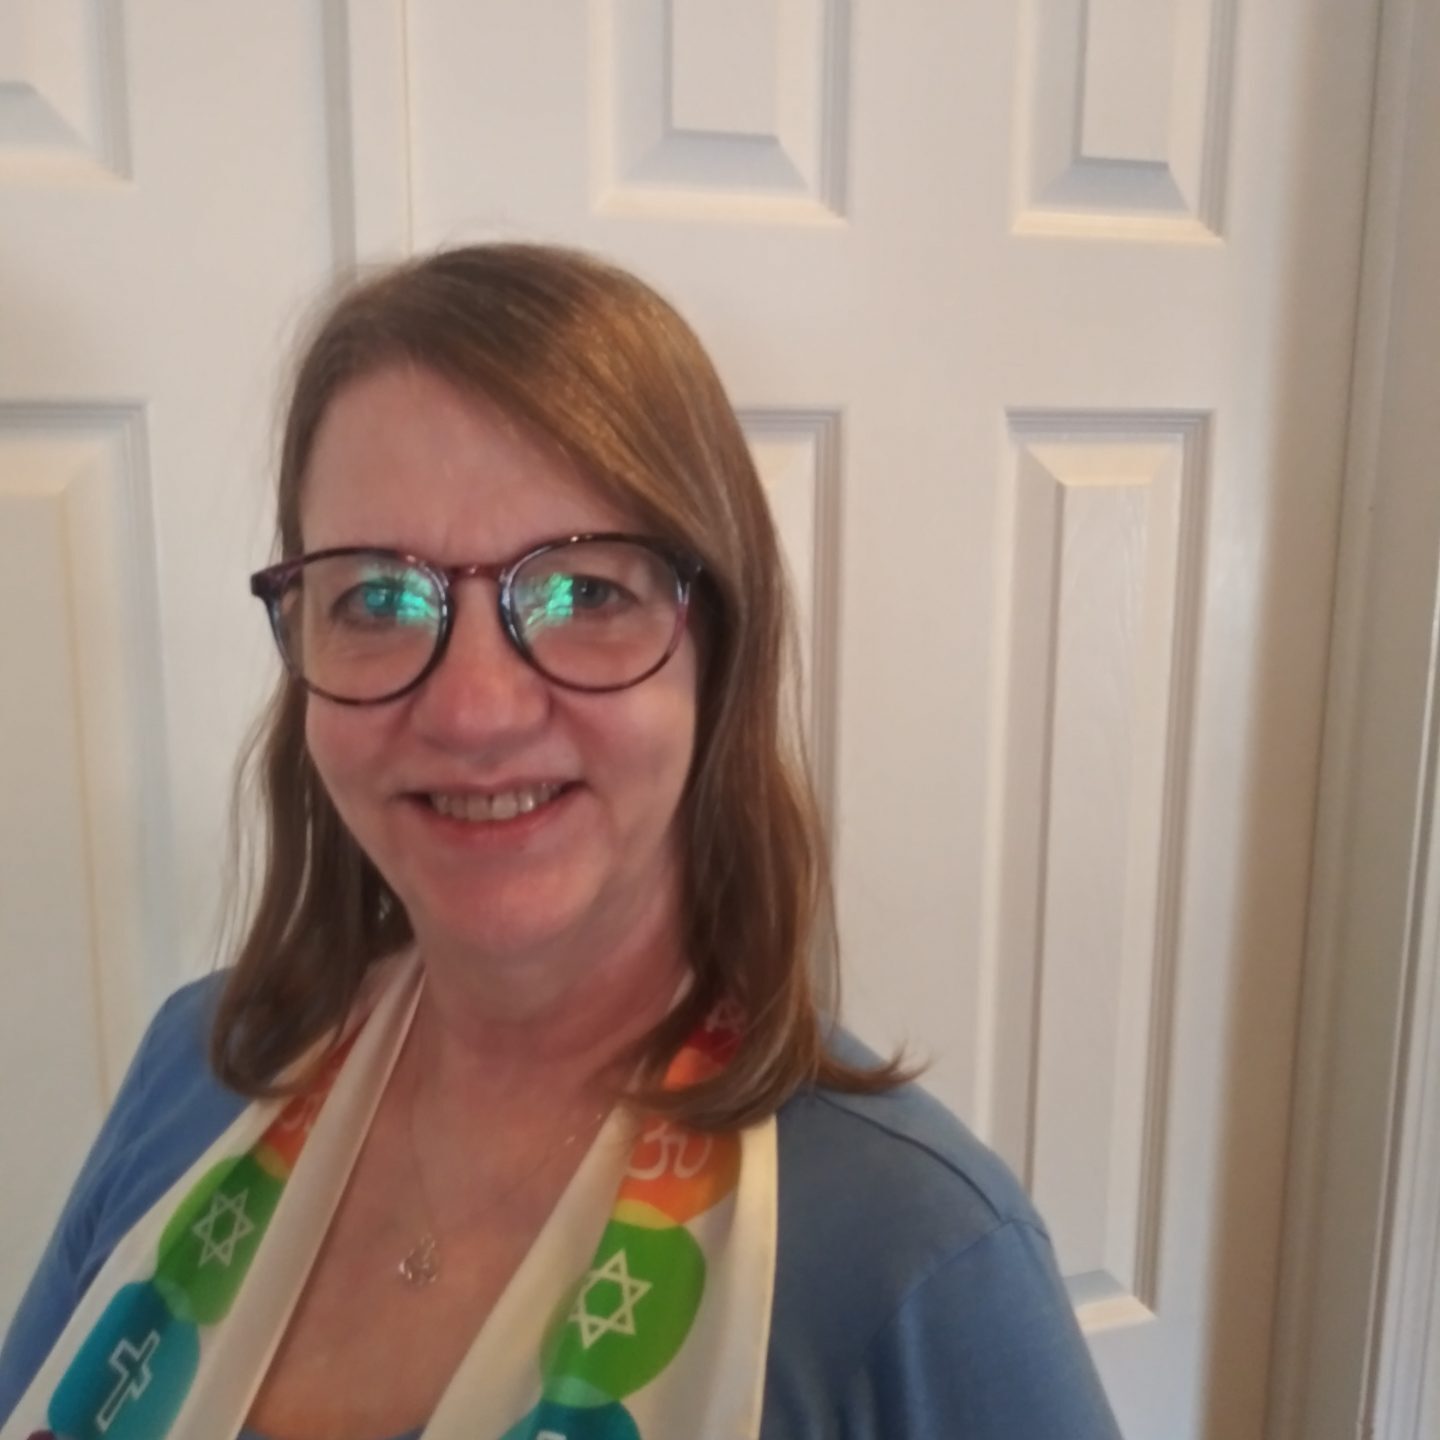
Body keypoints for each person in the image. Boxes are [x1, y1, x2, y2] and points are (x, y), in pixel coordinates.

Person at [0, 245, 1122, 1439]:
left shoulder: (918, 1261)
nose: (475, 710)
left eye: (586, 592)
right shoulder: (201, 1067)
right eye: (377, 599)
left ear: (716, 655)